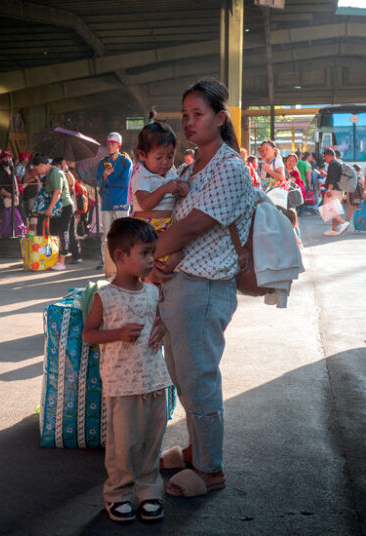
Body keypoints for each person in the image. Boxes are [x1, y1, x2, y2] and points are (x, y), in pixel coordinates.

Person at [148, 79, 256, 498]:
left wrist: (142, 258)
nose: (189, 122)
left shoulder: (229, 167)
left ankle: (211, 470)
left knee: (199, 380)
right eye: (185, 115)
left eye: (198, 114)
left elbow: (191, 226)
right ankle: (196, 451)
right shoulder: (189, 169)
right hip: (179, 286)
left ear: (220, 118)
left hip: (206, 289)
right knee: (183, 376)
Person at [82, 218, 170, 524]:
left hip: (154, 381)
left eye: (152, 252)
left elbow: (158, 323)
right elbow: (88, 334)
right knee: (124, 444)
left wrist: (162, 328)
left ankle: (149, 491)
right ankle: (118, 493)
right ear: (120, 257)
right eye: (144, 253)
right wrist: (118, 334)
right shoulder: (104, 296)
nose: (151, 260)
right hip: (122, 385)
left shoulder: (153, 292)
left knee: (151, 441)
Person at [95, 132, 132, 276]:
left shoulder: (125, 161)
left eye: (112, 143)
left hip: (121, 202)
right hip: (107, 202)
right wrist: (104, 175)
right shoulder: (102, 162)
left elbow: (125, 181)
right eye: (108, 143)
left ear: (118, 146)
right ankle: (107, 263)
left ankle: (125, 263)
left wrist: (109, 177)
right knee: (107, 234)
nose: (109, 146)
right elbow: (98, 181)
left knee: (123, 234)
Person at [29, 152, 73, 270]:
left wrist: (50, 209)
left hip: (64, 207)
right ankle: (54, 259)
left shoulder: (55, 173)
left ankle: (62, 261)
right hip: (55, 209)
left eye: (37, 169)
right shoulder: (48, 174)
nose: (37, 171)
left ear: (41, 165)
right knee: (53, 234)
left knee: (63, 233)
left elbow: (57, 192)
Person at [321, 147, 349, 236]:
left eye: (325, 157)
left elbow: (333, 179)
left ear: (329, 156)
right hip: (339, 190)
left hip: (333, 190)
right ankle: (334, 229)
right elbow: (335, 177)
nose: (325, 160)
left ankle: (343, 222)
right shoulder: (338, 163)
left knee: (329, 209)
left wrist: (329, 189)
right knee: (334, 209)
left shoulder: (333, 164)